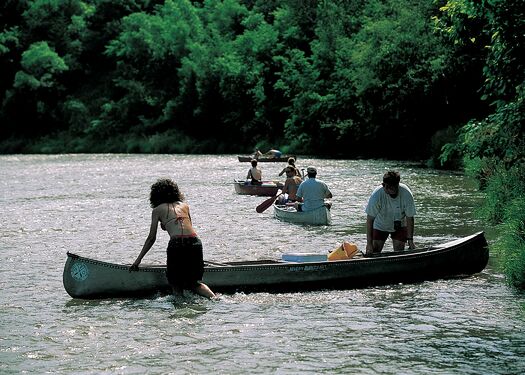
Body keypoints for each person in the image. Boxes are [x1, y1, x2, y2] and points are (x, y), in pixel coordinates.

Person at [129, 178, 215, 299]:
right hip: (195, 242)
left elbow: (151, 238)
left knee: (175, 284)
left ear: (155, 195)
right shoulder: (185, 206)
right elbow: (186, 226)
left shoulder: (157, 210)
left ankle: (180, 309)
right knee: (194, 283)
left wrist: (137, 261)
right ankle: (215, 298)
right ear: (176, 192)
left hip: (177, 244)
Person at [365, 170, 416, 255]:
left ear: (398, 184)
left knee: (399, 251)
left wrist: (410, 240)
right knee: (375, 249)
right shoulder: (376, 196)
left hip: (400, 224)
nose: (390, 189)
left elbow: (410, 218)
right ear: (383, 185)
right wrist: (369, 244)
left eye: (393, 186)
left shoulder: (406, 194)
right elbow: (370, 219)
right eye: (388, 187)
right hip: (380, 224)